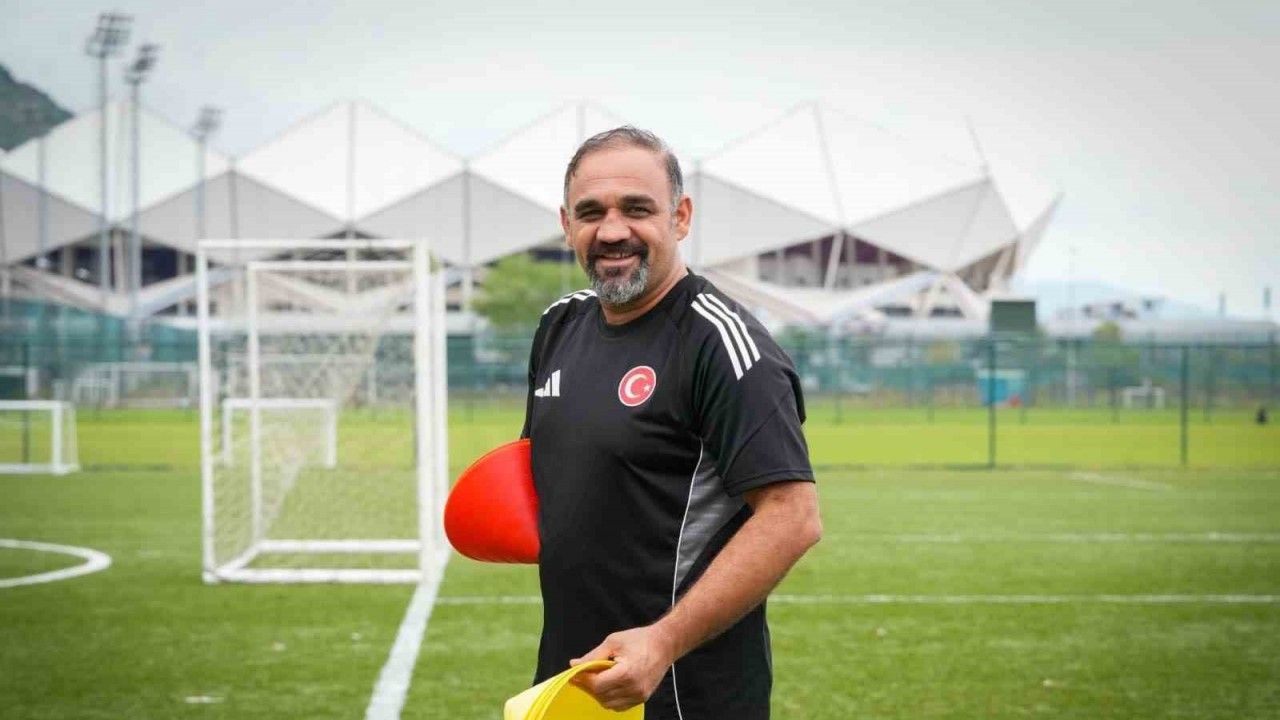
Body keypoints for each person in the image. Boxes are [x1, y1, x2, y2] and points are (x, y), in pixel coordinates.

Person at [520, 126, 822, 719]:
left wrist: (662, 641)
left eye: (637, 209)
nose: (612, 231)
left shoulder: (722, 343)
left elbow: (792, 518)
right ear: (566, 225)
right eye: (591, 213)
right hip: (572, 682)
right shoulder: (559, 326)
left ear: (680, 217)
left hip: (683, 692)